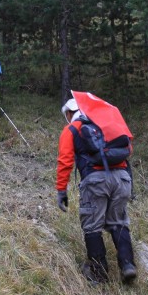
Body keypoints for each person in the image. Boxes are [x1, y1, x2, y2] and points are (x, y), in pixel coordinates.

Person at [56, 98, 137, 284]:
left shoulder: (73, 128)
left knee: (92, 226)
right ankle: (127, 266)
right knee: (118, 222)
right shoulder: (107, 122)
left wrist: (61, 190)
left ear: (69, 113)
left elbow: (65, 160)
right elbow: (128, 148)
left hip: (95, 181)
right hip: (122, 179)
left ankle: (99, 275)